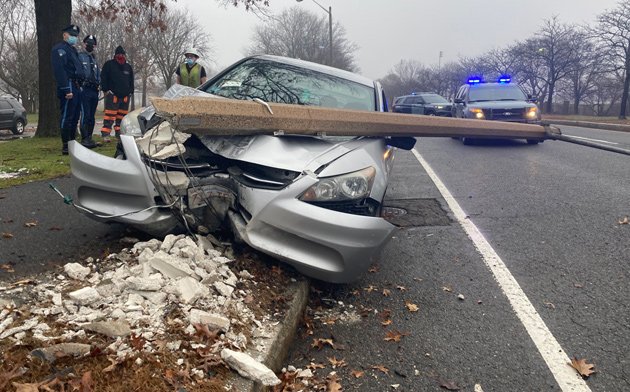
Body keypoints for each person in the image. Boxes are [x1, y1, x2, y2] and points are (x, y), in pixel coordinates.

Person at [51, 24, 85, 155]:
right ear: (65, 35)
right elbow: (60, 71)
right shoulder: (59, 50)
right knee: (67, 116)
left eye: (76, 36)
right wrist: (66, 89)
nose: (74, 38)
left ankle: (72, 142)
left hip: (76, 85)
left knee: (75, 115)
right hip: (68, 84)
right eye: (72, 35)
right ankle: (66, 144)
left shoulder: (72, 50)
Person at [100, 45, 134, 141]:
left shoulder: (128, 67)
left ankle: (119, 134)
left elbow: (131, 80)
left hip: (125, 97)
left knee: (122, 118)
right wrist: (106, 90)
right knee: (109, 116)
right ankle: (105, 134)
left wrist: (130, 92)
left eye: (122, 54)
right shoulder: (109, 65)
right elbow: (103, 78)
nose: (121, 56)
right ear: (115, 55)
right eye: (119, 54)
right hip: (113, 96)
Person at [77, 34, 99, 148]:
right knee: (85, 114)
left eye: (92, 44)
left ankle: (90, 138)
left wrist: (99, 84)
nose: (90, 46)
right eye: (88, 43)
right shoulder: (80, 56)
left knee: (92, 115)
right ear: (84, 44)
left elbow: (97, 73)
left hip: (94, 90)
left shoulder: (94, 59)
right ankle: (84, 138)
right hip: (84, 89)